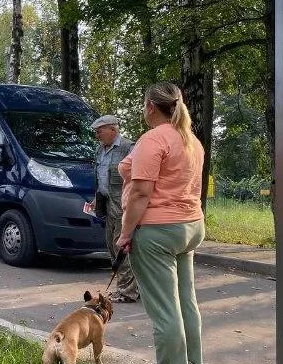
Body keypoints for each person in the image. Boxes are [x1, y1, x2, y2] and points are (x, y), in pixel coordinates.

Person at [116, 82, 206, 364]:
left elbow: (142, 193)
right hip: (191, 225)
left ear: (150, 107)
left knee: (166, 312)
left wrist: (125, 234)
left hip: (157, 231)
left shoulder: (153, 140)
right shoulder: (192, 140)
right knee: (186, 302)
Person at [91, 114, 139, 303]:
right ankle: (123, 287)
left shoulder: (129, 148)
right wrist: (96, 198)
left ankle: (128, 292)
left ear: (113, 129)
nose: (97, 135)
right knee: (112, 247)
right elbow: (101, 177)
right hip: (108, 205)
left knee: (122, 249)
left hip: (124, 207)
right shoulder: (100, 150)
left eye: (99, 131)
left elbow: (138, 179)